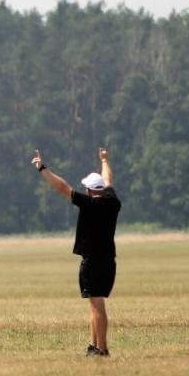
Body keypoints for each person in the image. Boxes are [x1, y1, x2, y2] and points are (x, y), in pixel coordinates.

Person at [31, 146, 121, 357]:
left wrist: (42, 168)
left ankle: (102, 348)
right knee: (94, 304)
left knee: (97, 305)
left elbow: (63, 187)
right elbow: (108, 180)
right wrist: (105, 160)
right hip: (109, 260)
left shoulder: (88, 204)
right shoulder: (112, 202)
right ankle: (93, 345)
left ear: (90, 190)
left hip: (92, 261)